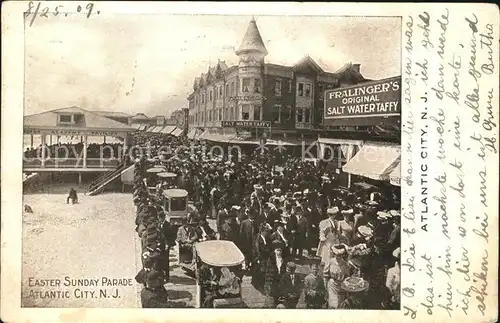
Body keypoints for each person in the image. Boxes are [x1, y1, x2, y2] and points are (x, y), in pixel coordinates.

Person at [323, 244, 351, 309]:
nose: (338, 257)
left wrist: (346, 285)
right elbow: (325, 275)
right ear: (334, 254)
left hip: (341, 286)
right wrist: (325, 285)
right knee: (333, 304)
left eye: (340, 255)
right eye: (337, 255)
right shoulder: (330, 262)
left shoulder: (345, 264)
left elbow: (347, 276)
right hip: (332, 285)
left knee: (340, 304)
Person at [264, 240, 287, 308]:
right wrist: (267, 283)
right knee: (273, 295)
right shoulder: (271, 259)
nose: (279, 252)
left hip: (281, 278)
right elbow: (268, 272)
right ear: (274, 251)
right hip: (273, 279)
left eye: (280, 250)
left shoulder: (283, 259)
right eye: (277, 250)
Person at [252, 222, 272, 291]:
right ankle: (259, 285)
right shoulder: (257, 238)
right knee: (259, 272)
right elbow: (255, 248)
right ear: (263, 231)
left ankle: (262, 285)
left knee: (264, 272)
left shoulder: (268, 238)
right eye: (266, 231)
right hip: (259, 258)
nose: (267, 233)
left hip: (266, 258)